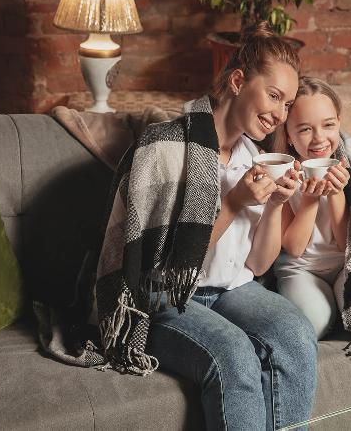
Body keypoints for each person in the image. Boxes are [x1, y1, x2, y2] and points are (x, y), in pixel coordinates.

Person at [94, 22, 318, 431]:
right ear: (237, 81)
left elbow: (259, 265)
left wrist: (275, 206)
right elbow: (158, 271)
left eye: (287, 104)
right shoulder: (166, 147)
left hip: (233, 290)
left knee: (296, 335)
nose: (279, 115)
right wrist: (233, 203)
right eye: (273, 96)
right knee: (233, 354)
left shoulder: (256, 158)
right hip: (165, 300)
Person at [271, 77, 350, 339]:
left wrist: (336, 193)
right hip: (300, 268)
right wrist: (310, 199)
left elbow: (346, 244)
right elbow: (293, 248)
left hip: (344, 264)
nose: (319, 139)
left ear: (338, 122)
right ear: (289, 136)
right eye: (305, 129)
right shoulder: (284, 176)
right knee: (314, 322)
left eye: (328, 125)